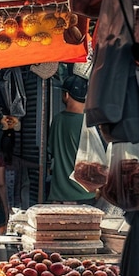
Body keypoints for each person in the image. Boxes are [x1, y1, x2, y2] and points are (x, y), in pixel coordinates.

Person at [48, 74, 95, 204]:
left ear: (66, 95)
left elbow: (50, 150)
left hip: (60, 196)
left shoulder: (57, 121)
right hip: (87, 194)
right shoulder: (92, 124)